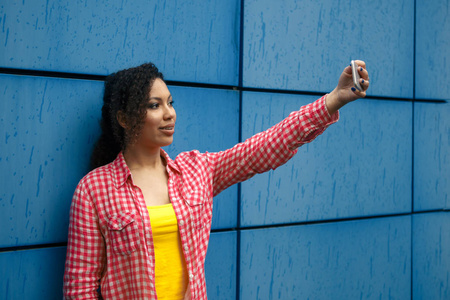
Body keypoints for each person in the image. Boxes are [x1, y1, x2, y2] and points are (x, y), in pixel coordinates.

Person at [63, 61, 370, 299]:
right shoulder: (94, 190)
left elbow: (263, 148)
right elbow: (80, 288)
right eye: (154, 105)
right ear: (124, 118)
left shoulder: (196, 171)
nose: (169, 114)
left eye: (170, 102)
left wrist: (333, 100)